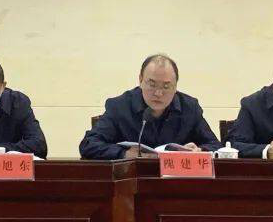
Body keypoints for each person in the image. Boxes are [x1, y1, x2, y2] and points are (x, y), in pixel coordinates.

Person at [79, 54, 220, 160]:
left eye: (166, 86)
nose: (158, 93)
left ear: (176, 86)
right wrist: (124, 153)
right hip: (132, 182)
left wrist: (199, 151)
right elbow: (88, 144)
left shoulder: (190, 108)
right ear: (140, 80)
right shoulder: (120, 107)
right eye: (152, 85)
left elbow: (216, 146)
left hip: (176, 182)